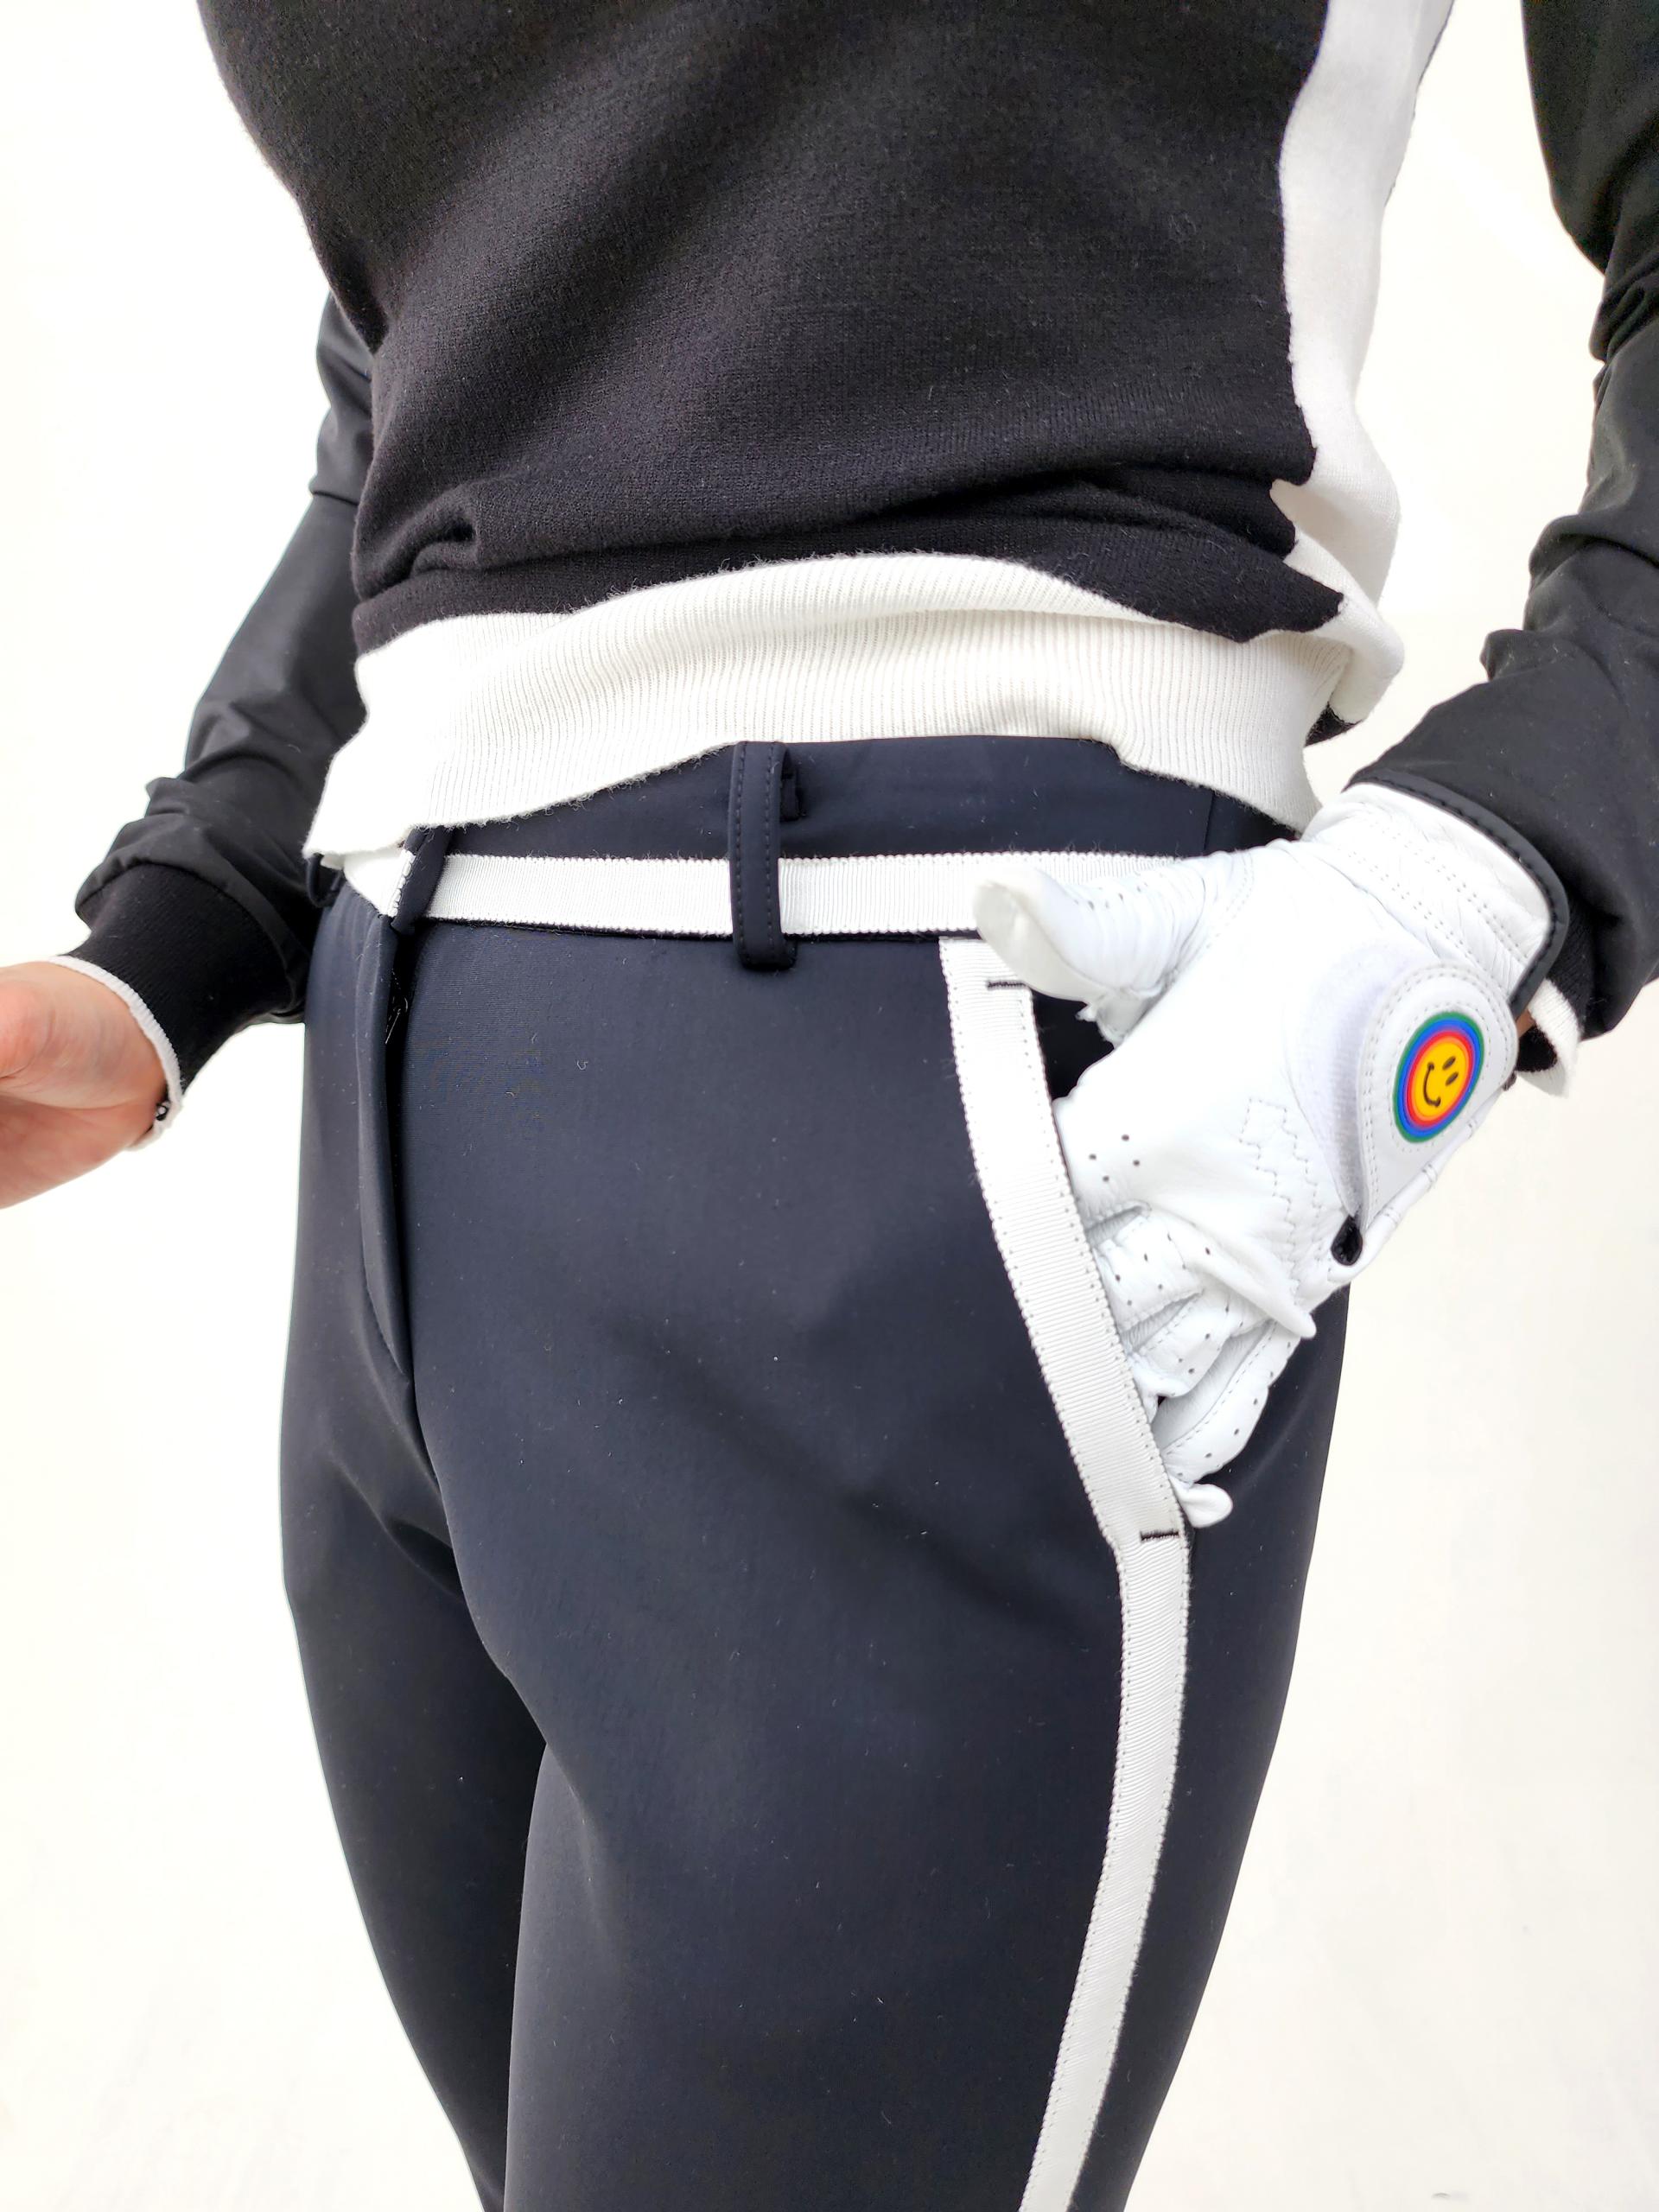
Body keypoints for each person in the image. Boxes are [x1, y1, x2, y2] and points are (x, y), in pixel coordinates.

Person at [3, 3, 1655, 2205]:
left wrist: (1485, 871)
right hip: (410, 1116)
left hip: (934, 1082)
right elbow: (453, 334)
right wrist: (176, 932)